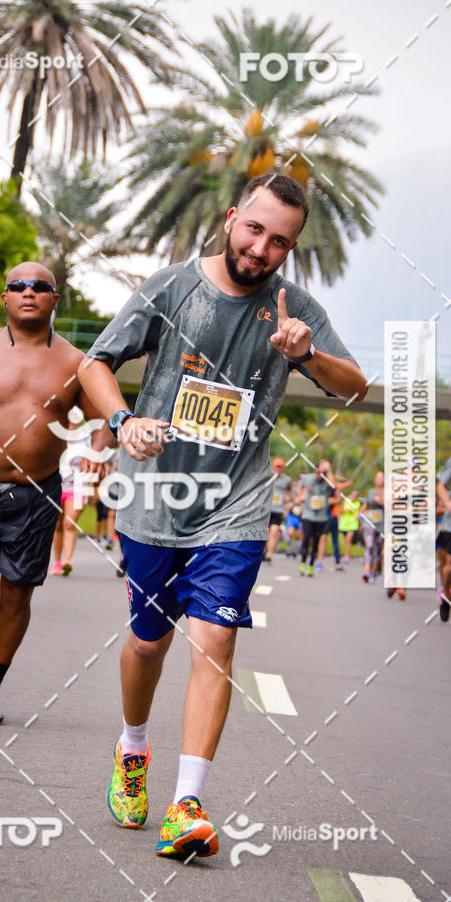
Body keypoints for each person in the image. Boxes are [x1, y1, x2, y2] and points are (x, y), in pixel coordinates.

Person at [78, 173, 367, 859]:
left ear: (290, 251)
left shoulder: (296, 311)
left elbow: (354, 386)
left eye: (280, 242)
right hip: (154, 497)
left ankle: (187, 804)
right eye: (255, 230)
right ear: (233, 218)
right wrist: (122, 421)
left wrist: (307, 354)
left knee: (214, 639)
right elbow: (97, 362)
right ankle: (133, 746)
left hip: (236, 504)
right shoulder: (172, 287)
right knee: (149, 642)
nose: (262, 248)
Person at [0, 262, 111, 725]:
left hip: (35, 496)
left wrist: (97, 451)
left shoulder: (76, 362)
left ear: (55, 300)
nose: (28, 292)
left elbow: (100, 417)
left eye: (40, 287)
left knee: (16, 597)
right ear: (4, 298)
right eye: (18, 286)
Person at [50, 407, 92, 576]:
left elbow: (90, 461)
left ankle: (68, 560)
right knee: (57, 525)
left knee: (69, 523)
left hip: (77, 484)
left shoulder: (85, 437)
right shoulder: (57, 434)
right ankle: (57, 562)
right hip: (57, 484)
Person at [298, 460, 336, 577]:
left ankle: (311, 565)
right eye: (321, 468)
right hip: (308, 514)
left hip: (321, 516)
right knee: (307, 538)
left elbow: (333, 485)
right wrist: (301, 495)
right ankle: (303, 563)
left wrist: (328, 471)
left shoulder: (327, 482)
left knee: (316, 541)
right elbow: (299, 487)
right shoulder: (309, 479)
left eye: (326, 469)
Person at [360, 471, 388, 587]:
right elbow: (366, 505)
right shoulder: (370, 492)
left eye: (382, 477)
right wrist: (360, 514)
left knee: (378, 549)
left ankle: (375, 572)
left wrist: (380, 501)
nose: (379, 479)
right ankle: (366, 571)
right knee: (369, 546)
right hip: (370, 524)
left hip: (382, 525)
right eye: (377, 477)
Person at [264, 457, 292, 562]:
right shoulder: (267, 476)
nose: (278, 469)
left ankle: (269, 555)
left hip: (278, 510)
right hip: (266, 508)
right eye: (277, 466)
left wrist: (287, 501)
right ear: (273, 466)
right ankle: (265, 551)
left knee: (274, 531)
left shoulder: (287, 480)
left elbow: (290, 492)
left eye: (280, 467)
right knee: (265, 533)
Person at [435, 458, 451, 621]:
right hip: (449, 526)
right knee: (447, 568)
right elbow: (440, 485)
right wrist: (448, 504)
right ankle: (447, 596)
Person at [339, 489, 361, 563]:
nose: (353, 497)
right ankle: (347, 553)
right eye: (353, 495)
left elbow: (360, 513)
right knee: (346, 540)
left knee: (349, 539)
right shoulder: (346, 501)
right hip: (345, 523)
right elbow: (340, 511)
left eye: (355, 496)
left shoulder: (358, 503)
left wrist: (358, 515)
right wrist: (346, 511)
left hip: (353, 523)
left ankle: (347, 555)